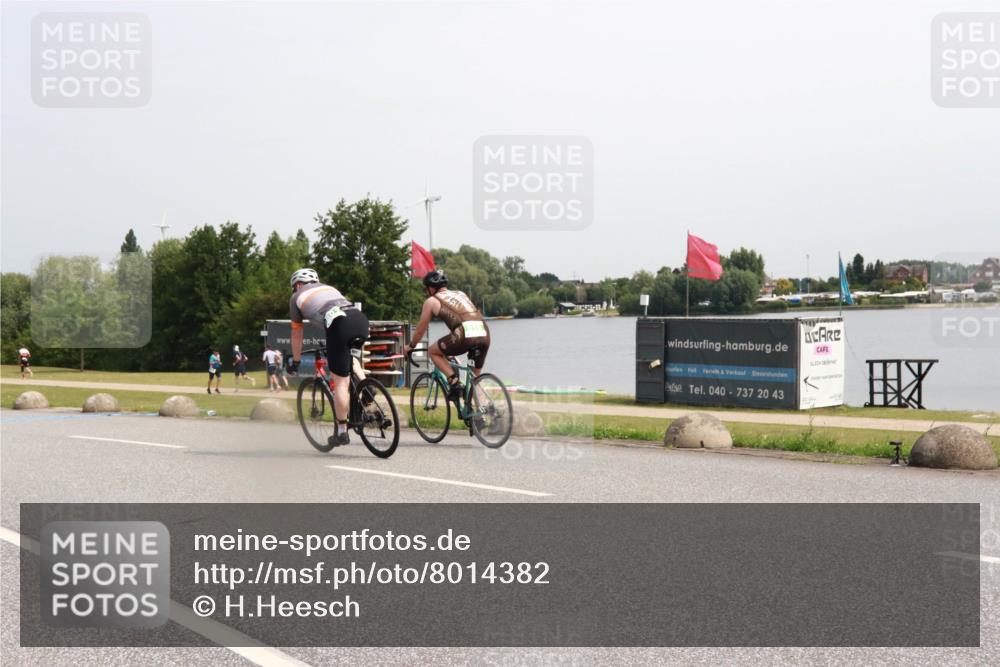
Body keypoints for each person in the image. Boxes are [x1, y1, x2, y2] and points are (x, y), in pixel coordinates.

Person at [287, 268, 369, 446]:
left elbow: (296, 333)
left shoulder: (296, 297)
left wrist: (296, 361)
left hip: (339, 325)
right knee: (346, 355)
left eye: (294, 287)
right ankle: (366, 385)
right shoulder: (329, 288)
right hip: (360, 319)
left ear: (298, 284)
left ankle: (341, 432)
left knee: (340, 382)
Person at [404, 270, 490, 401]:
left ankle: (454, 381)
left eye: (426, 289)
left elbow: (421, 329)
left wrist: (411, 346)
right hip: (484, 332)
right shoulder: (460, 293)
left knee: (432, 351)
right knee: (475, 379)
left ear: (431, 288)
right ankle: (482, 415)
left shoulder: (431, 301)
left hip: (465, 334)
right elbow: (464, 318)